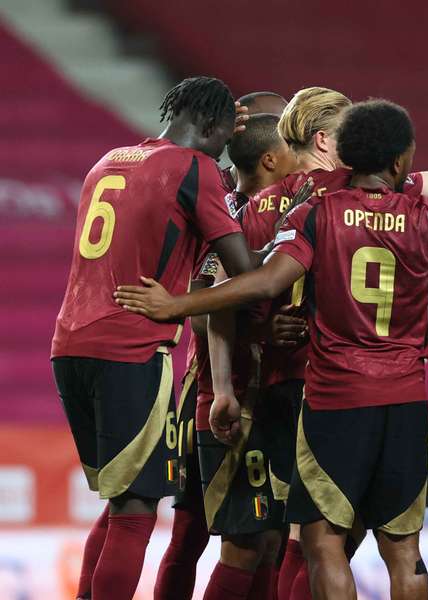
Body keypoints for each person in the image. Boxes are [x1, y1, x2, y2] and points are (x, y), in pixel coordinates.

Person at [113, 100, 428, 600]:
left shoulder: (316, 212)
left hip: (334, 401)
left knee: (321, 541)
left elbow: (266, 280)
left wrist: (176, 304)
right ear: (399, 163)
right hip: (405, 403)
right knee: (403, 550)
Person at [236, 60, 428, 600]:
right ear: (325, 138)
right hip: (342, 385)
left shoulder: (259, 204)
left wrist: (247, 345)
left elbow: (234, 294)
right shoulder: (364, 195)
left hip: (275, 386)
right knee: (328, 538)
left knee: (290, 537)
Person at [51, 76, 258, 600]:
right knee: (137, 509)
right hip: (132, 347)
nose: (226, 150)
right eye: (223, 137)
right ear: (210, 127)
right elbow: (244, 269)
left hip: (71, 342)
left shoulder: (111, 159)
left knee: (122, 499)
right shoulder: (196, 168)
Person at [154, 100, 293, 600]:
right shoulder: (228, 214)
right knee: (215, 535)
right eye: (288, 138)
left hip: (254, 389)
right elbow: (201, 306)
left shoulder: (285, 207)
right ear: (270, 156)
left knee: (267, 538)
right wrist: (259, 335)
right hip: (221, 388)